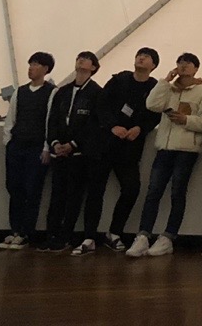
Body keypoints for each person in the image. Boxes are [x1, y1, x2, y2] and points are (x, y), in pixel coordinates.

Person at [127, 53, 202, 257]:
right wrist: (165, 81)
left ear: (196, 68)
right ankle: (143, 236)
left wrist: (186, 120)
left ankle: (168, 237)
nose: (183, 66)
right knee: (153, 191)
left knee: (177, 192)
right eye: (180, 62)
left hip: (186, 151)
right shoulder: (168, 89)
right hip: (164, 148)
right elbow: (151, 104)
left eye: (188, 63)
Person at [79, 47, 161, 254]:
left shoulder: (154, 87)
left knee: (132, 188)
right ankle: (89, 236)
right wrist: (112, 126)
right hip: (104, 143)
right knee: (95, 189)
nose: (141, 58)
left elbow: (156, 113)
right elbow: (101, 104)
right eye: (139, 54)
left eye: (146, 57)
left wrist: (140, 128)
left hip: (129, 148)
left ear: (153, 65)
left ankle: (114, 232)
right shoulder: (119, 79)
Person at [44, 51, 103, 252]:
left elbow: (94, 124)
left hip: (80, 155)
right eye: (79, 58)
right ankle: (51, 234)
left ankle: (66, 235)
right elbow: (53, 119)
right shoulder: (63, 91)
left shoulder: (96, 93)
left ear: (93, 67)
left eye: (86, 59)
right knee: (57, 194)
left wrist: (74, 144)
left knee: (74, 196)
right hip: (59, 152)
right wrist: (54, 143)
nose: (81, 60)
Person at [0, 51, 55, 250]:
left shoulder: (51, 92)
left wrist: (47, 147)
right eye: (30, 64)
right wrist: (8, 142)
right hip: (17, 146)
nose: (31, 68)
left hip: (37, 148)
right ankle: (15, 230)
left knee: (32, 189)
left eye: (36, 64)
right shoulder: (20, 92)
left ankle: (26, 232)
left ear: (46, 69)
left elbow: (50, 122)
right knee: (14, 188)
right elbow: (11, 118)